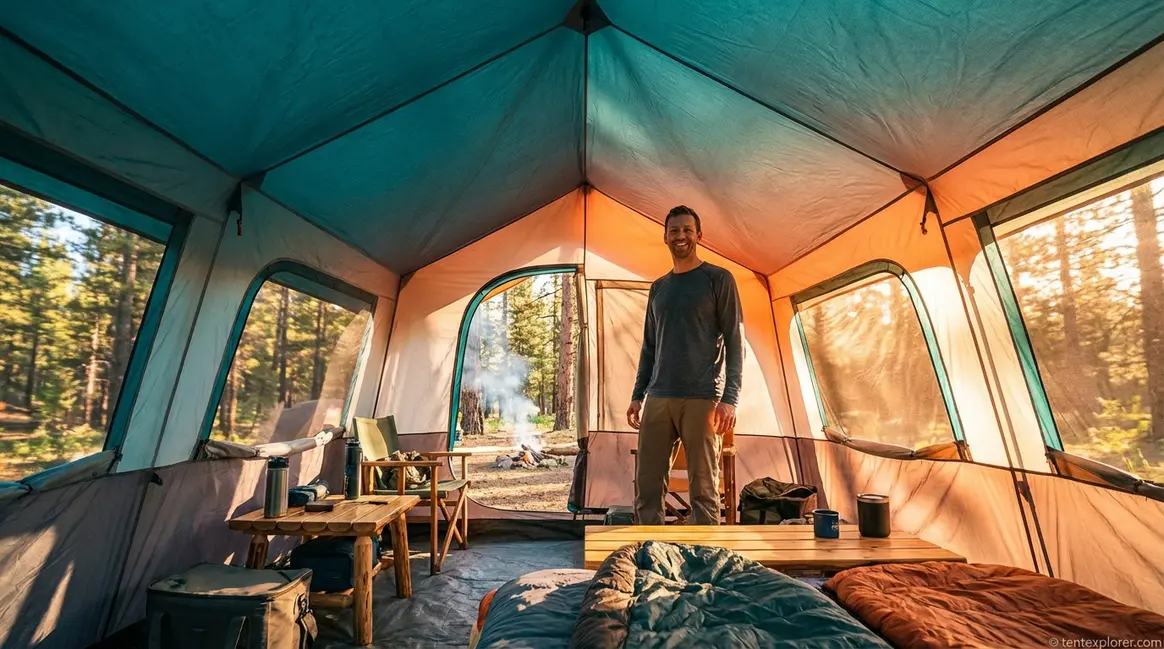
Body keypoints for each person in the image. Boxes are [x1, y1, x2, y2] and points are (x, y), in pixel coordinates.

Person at [627, 204, 743, 525]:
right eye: (675, 230)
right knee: (647, 489)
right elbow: (650, 346)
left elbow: (735, 341)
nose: (681, 236)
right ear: (665, 237)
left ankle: (706, 562)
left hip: (702, 397)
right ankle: (650, 555)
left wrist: (730, 399)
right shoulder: (659, 288)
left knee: (704, 491)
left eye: (687, 230)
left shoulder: (718, 279)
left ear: (699, 236)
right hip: (658, 397)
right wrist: (638, 395)